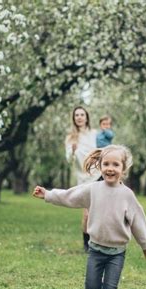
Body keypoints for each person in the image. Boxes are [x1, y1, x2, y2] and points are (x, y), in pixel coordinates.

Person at [33, 145, 146, 289]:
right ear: (100, 166)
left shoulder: (127, 195)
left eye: (115, 164)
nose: (110, 168)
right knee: (91, 286)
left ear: (123, 169)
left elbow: (138, 221)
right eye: (106, 164)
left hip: (117, 253)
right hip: (95, 249)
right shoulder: (93, 189)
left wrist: (145, 244)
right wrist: (48, 194)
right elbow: (70, 196)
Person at [65, 106, 100, 252]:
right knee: (87, 214)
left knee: (98, 211)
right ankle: (87, 244)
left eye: (82, 115)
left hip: (98, 175)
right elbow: (69, 160)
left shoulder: (94, 134)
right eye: (76, 115)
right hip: (83, 179)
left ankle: (98, 242)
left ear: (87, 117)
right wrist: (72, 151)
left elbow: (103, 150)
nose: (79, 117)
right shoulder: (70, 138)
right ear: (74, 118)